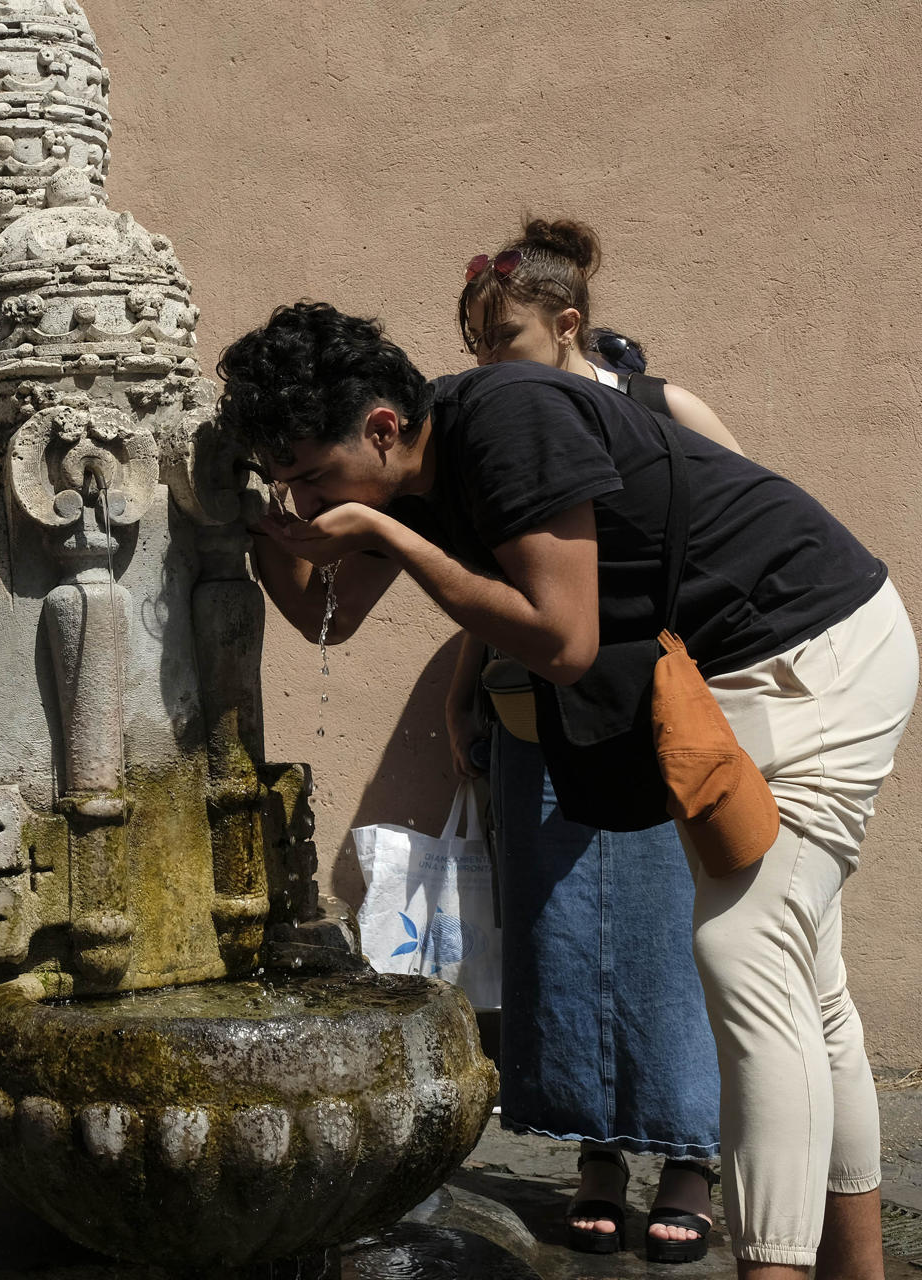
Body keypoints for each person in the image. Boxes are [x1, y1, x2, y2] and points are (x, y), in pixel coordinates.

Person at [221, 300, 913, 1279]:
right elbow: (322, 619)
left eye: (311, 476)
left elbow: (562, 636)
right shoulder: (392, 476)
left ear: (379, 425)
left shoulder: (508, 421)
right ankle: (858, 1268)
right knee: (810, 982)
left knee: (743, 946)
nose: (305, 498)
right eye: (285, 482)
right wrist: (249, 525)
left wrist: (393, 534)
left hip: (815, 647)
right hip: (738, 675)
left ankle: (776, 1264)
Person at [443, 218, 732, 1261]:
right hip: (532, 717)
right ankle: (598, 1154)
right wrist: (464, 687)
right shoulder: (494, 426)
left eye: (504, 339)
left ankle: (690, 1158)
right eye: (475, 343)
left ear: (567, 325)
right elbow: (499, 573)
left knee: (665, 940)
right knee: (559, 939)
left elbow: (739, 537)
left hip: (649, 720)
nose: (484, 365)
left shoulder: (661, 410)